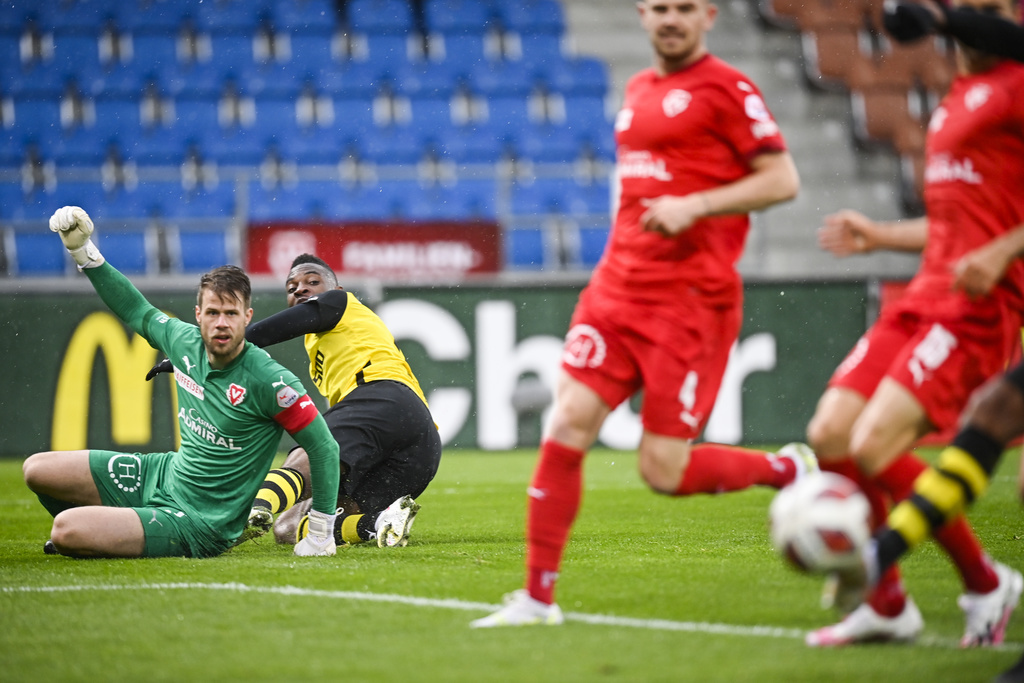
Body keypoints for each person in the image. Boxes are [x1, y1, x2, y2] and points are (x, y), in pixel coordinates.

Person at [471, 0, 806, 628]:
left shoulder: (728, 89)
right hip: (616, 293)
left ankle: (787, 467)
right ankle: (538, 599)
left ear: (708, 14)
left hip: (689, 306)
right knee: (567, 422)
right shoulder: (638, 88)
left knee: (664, 470)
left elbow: (783, 179)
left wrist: (699, 205)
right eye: (658, 7)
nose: (670, 18)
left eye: (683, 7)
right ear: (641, 14)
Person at [803, 0, 1024, 647]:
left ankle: (986, 583)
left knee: (875, 446)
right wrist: (880, 236)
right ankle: (888, 604)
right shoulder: (958, 98)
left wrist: (1005, 249)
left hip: (976, 308)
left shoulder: (1015, 88)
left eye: (987, 10)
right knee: (830, 434)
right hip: (923, 293)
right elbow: (958, 227)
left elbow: (988, 240)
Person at [24, 206, 341, 559]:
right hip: (162, 474)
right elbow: (136, 310)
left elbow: (325, 449)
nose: (222, 323)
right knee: (36, 470)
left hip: (201, 520)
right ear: (198, 316)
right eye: (213, 313)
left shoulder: (271, 381)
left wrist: (321, 530)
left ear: (247, 317)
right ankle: (109, 530)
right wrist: (84, 252)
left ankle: (101, 532)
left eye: (231, 314)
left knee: (66, 529)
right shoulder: (181, 340)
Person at [149, 253, 442, 549]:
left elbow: (254, 336)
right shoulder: (325, 341)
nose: (299, 288)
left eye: (312, 282)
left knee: (310, 457)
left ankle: (251, 511)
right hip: (421, 450)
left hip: (385, 397)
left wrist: (200, 352)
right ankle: (380, 523)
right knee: (289, 528)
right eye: (291, 287)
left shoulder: (341, 303)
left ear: (336, 290)